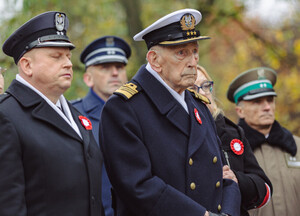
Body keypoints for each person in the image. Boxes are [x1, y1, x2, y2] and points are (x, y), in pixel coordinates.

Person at [99, 9, 241, 216]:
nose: (193, 61)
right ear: (155, 60)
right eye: (181, 53)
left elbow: (226, 175)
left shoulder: (199, 104)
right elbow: (139, 186)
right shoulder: (124, 108)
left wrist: (228, 213)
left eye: (194, 51)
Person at [0, 11, 104, 216]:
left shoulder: (74, 115)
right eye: (56, 57)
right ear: (27, 65)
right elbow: (8, 205)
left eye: (68, 56)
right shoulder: (6, 116)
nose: (67, 63)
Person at [193, 65, 272, 216]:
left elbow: (265, 188)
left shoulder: (232, 132)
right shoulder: (174, 131)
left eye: (205, 86)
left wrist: (237, 180)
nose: (202, 92)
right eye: (193, 88)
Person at [227, 67, 300, 216]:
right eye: (257, 102)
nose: (267, 107)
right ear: (240, 111)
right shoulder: (230, 151)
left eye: (270, 100)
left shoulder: (297, 146)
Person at [72, 35, 131, 216]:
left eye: (119, 67)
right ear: (88, 78)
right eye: (105, 67)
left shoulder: (140, 113)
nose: (115, 73)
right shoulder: (74, 115)